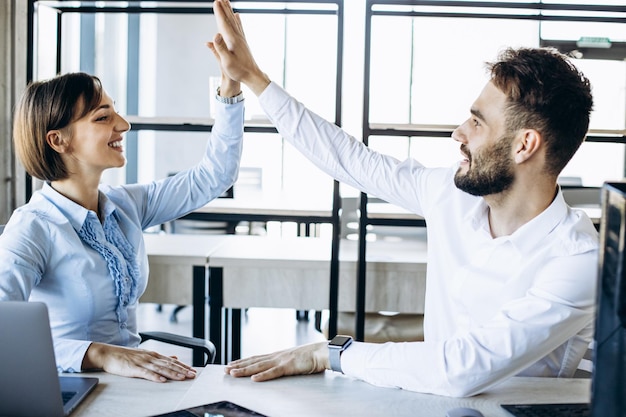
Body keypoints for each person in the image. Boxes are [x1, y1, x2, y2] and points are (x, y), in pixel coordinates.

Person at [208, 0, 598, 397]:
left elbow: (463, 367)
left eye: (477, 122)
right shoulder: (451, 196)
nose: (458, 134)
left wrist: (332, 353)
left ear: (524, 146)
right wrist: (255, 79)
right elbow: (349, 160)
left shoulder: (577, 258)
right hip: (426, 403)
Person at [0, 61, 245, 381]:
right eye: (103, 117)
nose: (124, 124)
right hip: (70, 387)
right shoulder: (32, 228)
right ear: (58, 141)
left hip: (135, 383)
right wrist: (98, 352)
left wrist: (230, 90)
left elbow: (214, 176)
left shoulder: (125, 204)